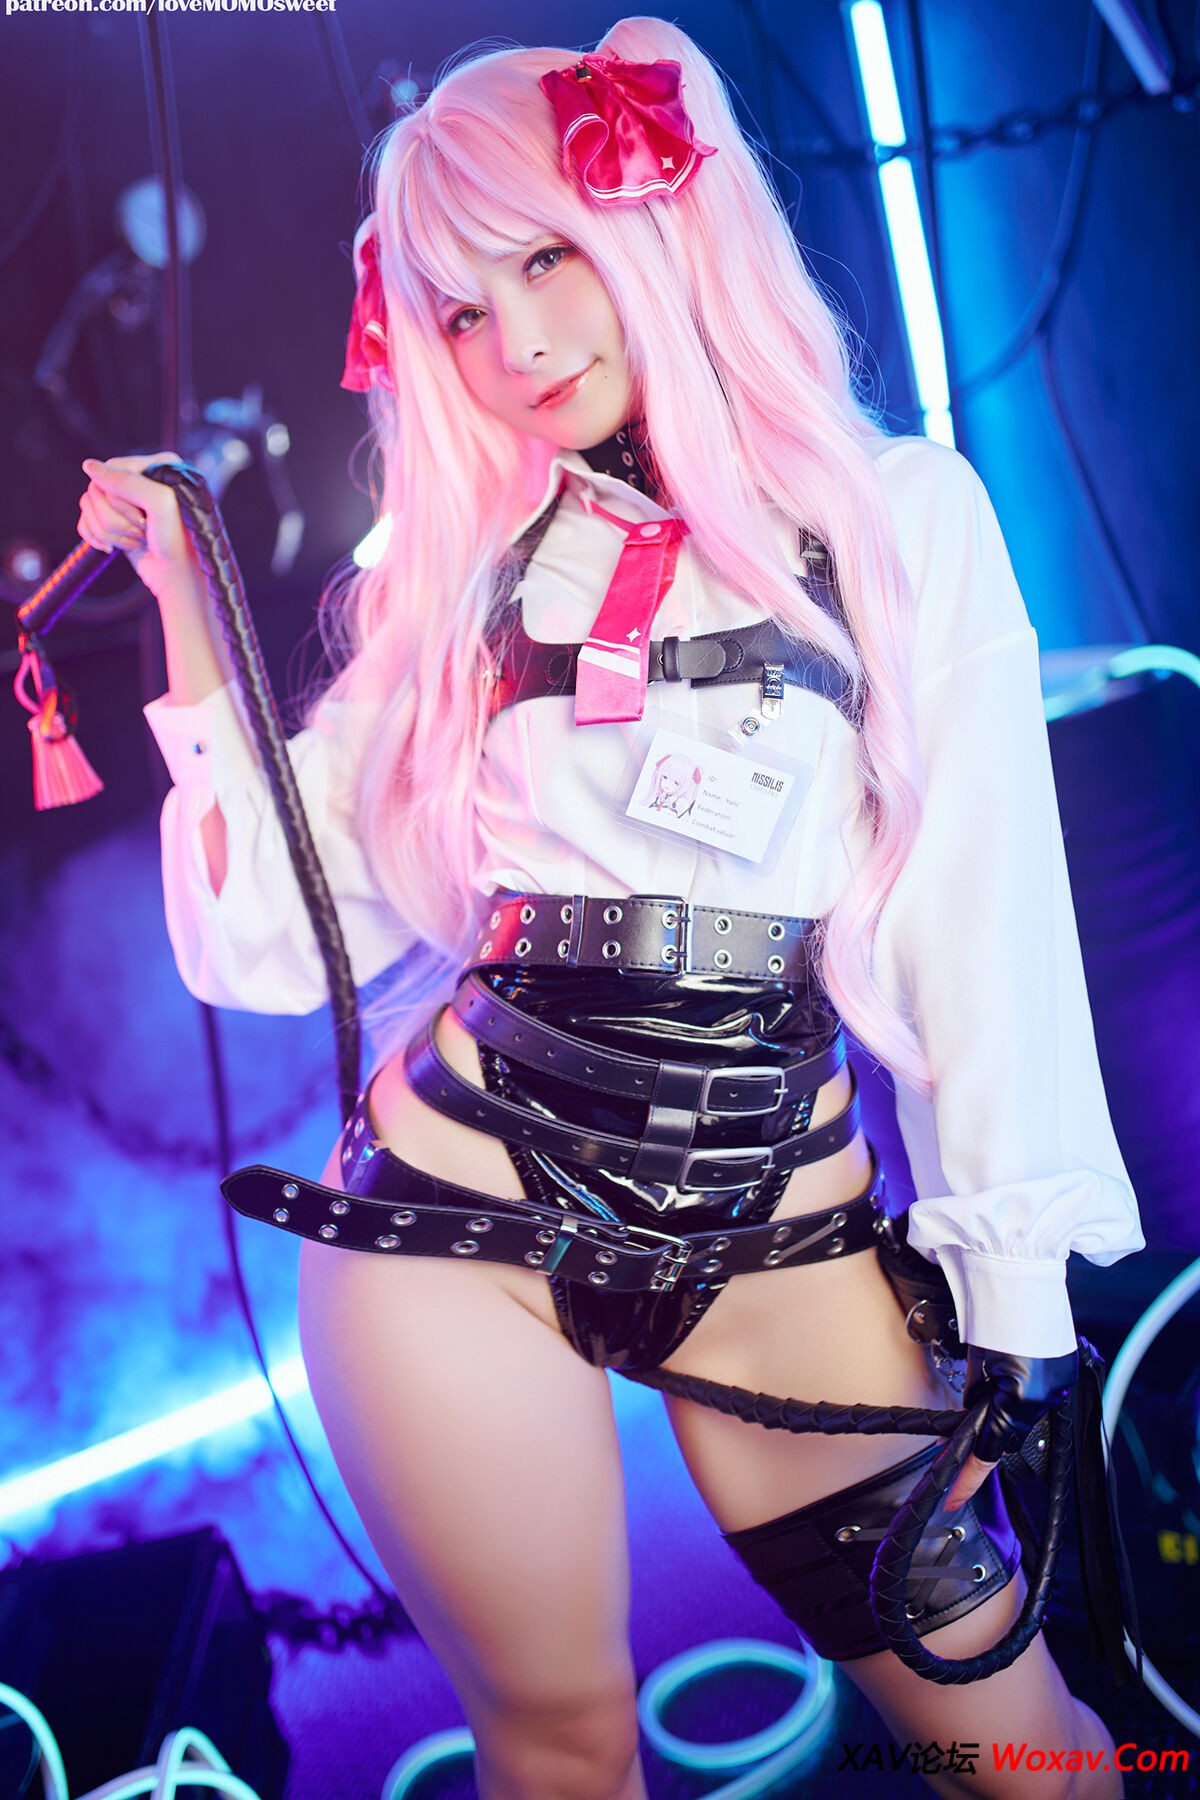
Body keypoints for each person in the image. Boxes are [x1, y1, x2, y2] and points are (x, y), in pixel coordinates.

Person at [78, 17, 1144, 1797]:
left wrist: (1013, 1298)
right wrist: (189, 613)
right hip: (452, 1226)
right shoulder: (467, 568)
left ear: (652, 223)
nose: (515, 342)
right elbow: (268, 935)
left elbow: (990, 931)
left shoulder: (895, 513)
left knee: (1030, 1760)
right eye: (460, 310)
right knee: (561, 1749)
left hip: (778, 1232)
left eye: (546, 259)